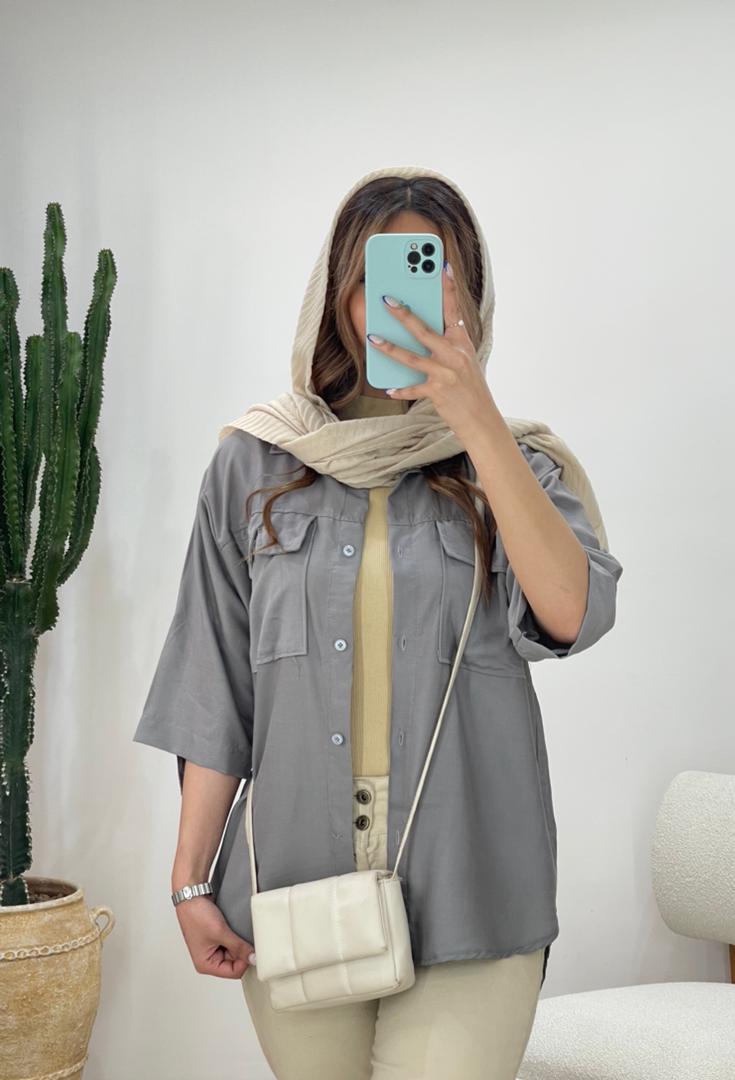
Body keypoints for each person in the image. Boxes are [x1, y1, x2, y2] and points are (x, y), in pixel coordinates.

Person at [133, 165, 624, 1079]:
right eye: (370, 280)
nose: (393, 307)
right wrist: (190, 879)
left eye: (431, 278)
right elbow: (213, 686)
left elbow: (574, 612)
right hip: (293, 888)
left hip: (475, 886)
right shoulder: (254, 464)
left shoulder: (516, 465)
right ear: (335, 297)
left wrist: (475, 420)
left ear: (470, 297)